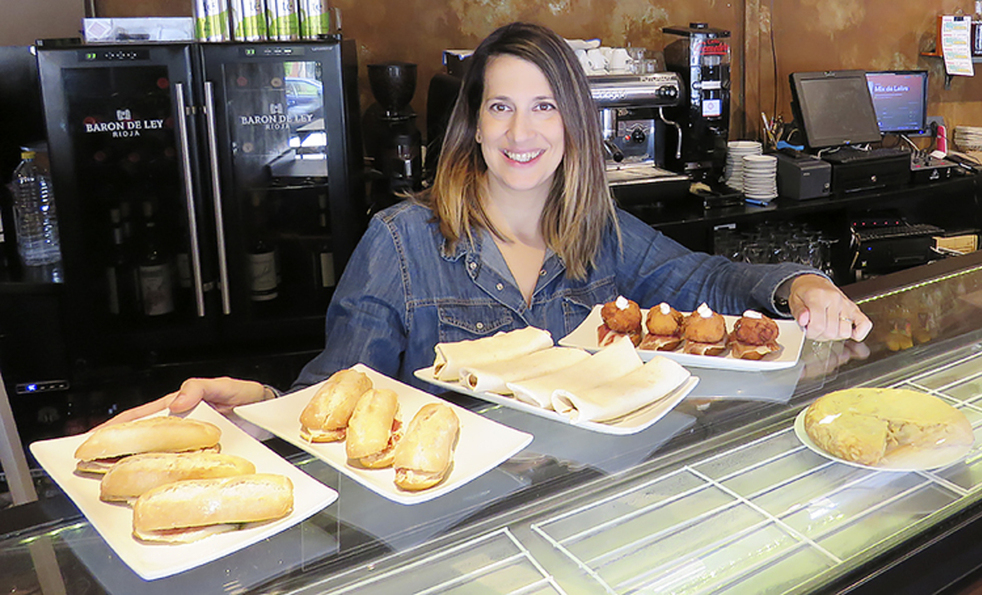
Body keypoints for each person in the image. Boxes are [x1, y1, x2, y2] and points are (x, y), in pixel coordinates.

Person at [100, 22, 872, 426]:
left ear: (572, 122)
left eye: (544, 106)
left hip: (572, 506)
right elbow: (337, 393)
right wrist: (264, 405)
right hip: (445, 527)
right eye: (499, 105)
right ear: (472, 123)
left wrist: (799, 282)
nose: (521, 131)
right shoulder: (402, 242)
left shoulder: (597, 232)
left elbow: (704, 279)